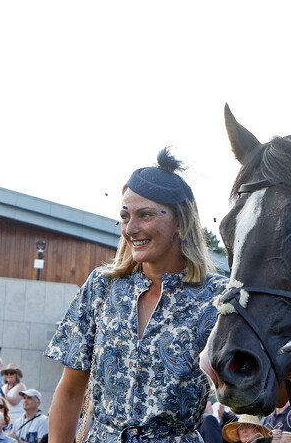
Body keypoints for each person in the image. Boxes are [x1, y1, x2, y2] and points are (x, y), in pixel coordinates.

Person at [44, 148, 228, 443]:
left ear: (180, 222)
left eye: (145, 215)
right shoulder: (102, 287)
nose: (130, 229)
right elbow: (70, 390)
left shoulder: (218, 297)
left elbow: (263, 390)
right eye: (125, 216)